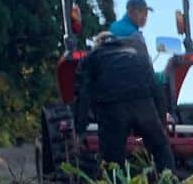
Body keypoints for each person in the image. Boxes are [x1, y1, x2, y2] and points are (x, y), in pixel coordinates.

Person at [73, 32, 174, 172]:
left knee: (112, 161)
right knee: (161, 149)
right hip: (144, 107)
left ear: (98, 45)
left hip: (113, 109)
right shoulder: (139, 55)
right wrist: (161, 123)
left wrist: (80, 131)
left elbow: (83, 94)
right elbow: (156, 90)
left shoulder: (92, 57)